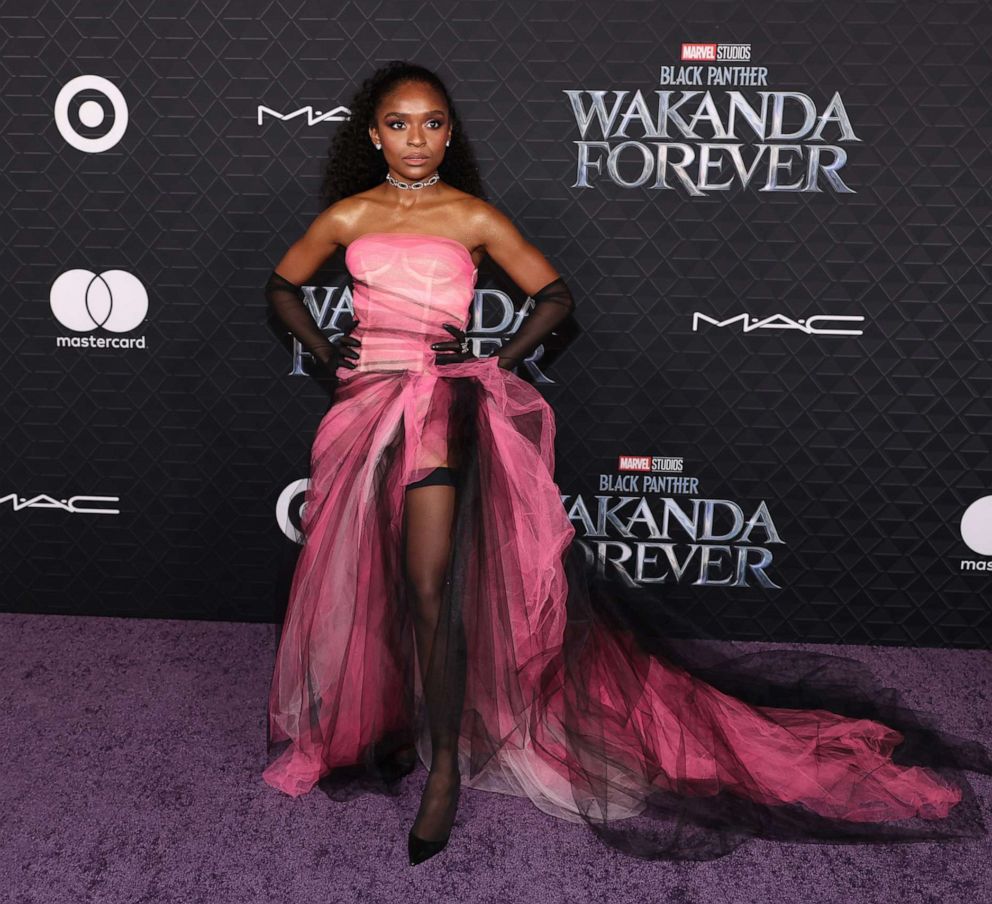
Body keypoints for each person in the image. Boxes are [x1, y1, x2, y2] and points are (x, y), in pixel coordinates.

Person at [262, 61, 991, 867]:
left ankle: (443, 777)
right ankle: (393, 727)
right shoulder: (347, 217)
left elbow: (555, 297)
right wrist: (330, 348)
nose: (416, 139)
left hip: (440, 410)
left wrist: (494, 363)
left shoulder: (473, 217)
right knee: (381, 578)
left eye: (433, 123)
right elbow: (282, 287)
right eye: (399, 124)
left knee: (433, 590)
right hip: (362, 412)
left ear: (449, 133)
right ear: (372, 134)